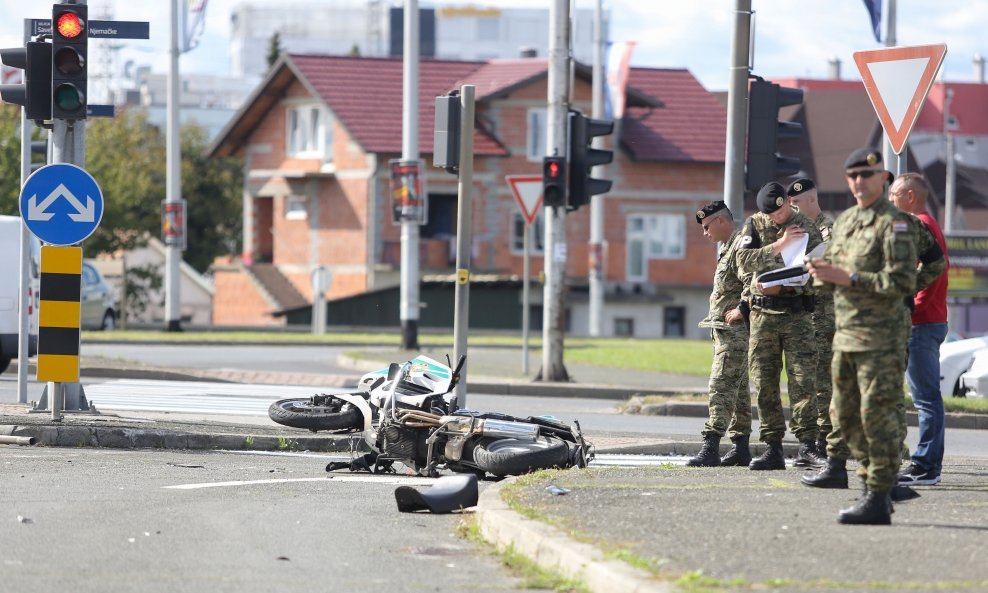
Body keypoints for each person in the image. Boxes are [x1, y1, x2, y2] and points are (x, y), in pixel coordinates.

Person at [806, 147, 917, 525]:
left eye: (866, 175)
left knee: (877, 419)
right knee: (845, 417)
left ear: (883, 178)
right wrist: (820, 275)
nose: (858, 182)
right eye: (852, 175)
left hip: (880, 338)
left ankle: (877, 494)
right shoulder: (848, 220)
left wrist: (850, 278)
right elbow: (834, 272)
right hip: (846, 334)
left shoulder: (896, 223)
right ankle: (876, 486)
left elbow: (903, 280)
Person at [736, 182, 825, 471]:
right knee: (765, 384)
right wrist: (778, 245)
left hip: (798, 317)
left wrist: (791, 284)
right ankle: (772, 447)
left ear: (788, 201)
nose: (775, 217)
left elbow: (820, 271)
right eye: (770, 214)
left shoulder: (806, 226)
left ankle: (807, 447)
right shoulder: (754, 225)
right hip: (763, 317)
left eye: (780, 210)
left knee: (803, 383)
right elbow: (742, 262)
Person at [889, 172, 950, 487]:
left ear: (910, 196)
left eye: (894, 194)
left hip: (922, 324)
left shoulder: (921, 225)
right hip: (926, 321)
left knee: (925, 398)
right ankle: (929, 465)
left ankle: (926, 466)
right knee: (927, 397)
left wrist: (911, 313)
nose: (890, 200)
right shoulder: (925, 223)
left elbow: (931, 275)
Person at [686, 201, 752, 467]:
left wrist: (742, 308)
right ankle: (741, 447)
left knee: (720, 386)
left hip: (735, 333)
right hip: (725, 333)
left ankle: (711, 446)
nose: (705, 233)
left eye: (706, 227)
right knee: (738, 392)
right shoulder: (727, 248)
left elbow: (753, 280)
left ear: (722, 221)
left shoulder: (741, 246)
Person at [786, 178, 834, 459]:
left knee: (823, 381)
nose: (792, 209)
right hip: (803, 317)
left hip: (824, 316)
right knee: (804, 381)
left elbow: (822, 266)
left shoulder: (828, 230)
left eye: (796, 204)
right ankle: (809, 440)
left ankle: (824, 441)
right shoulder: (796, 229)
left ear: (812, 201)